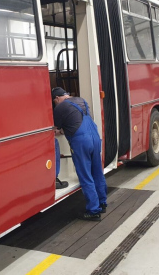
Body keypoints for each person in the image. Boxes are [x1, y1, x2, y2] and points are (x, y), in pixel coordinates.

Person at [52, 87, 107, 221]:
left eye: (54, 101)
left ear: (57, 98)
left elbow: (56, 128)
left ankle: (93, 210)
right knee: (97, 172)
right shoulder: (81, 100)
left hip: (81, 142)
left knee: (85, 175)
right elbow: (75, 121)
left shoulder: (60, 108)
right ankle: (102, 202)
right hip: (95, 137)